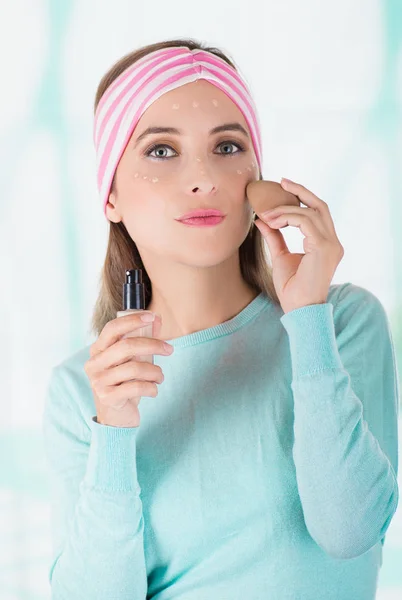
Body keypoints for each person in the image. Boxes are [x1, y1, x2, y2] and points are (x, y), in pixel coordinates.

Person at [42, 38, 400, 599]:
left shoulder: (341, 322)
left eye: (228, 147)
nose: (204, 177)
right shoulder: (80, 391)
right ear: (110, 194)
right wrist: (113, 430)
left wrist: (308, 321)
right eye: (161, 150)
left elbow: (349, 531)